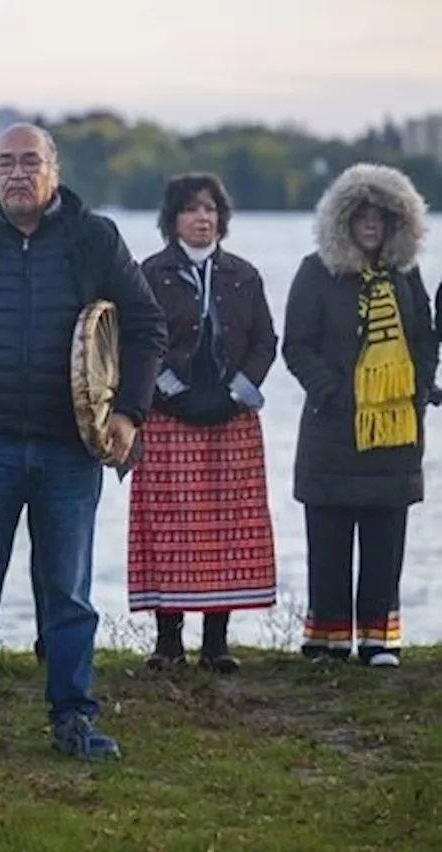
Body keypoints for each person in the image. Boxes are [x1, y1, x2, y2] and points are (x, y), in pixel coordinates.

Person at [0, 123, 167, 762]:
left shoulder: (95, 238)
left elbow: (145, 327)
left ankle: (73, 717)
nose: (18, 173)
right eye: (6, 163)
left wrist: (130, 414)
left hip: (70, 449)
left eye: (31, 161)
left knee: (68, 591)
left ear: (53, 170)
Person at [282, 163, 436, 667]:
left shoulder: (406, 276)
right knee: (327, 538)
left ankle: (379, 637)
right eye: (362, 214)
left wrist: (416, 392)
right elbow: (297, 346)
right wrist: (336, 392)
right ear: (343, 220)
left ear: (398, 223)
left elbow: (422, 339)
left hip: (394, 431)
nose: (371, 223)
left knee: (385, 538)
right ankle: (327, 638)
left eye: (381, 216)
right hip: (333, 429)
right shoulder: (315, 271)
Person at [127, 174, 279, 674]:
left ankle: (217, 643)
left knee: (228, 529)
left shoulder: (243, 274)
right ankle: (168, 642)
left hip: (231, 416)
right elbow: (138, 343)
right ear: (173, 220)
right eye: (192, 209)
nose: (203, 218)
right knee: (170, 527)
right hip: (169, 415)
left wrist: (235, 394)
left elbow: (265, 341)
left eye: (211, 209)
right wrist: (175, 395)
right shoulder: (149, 274)